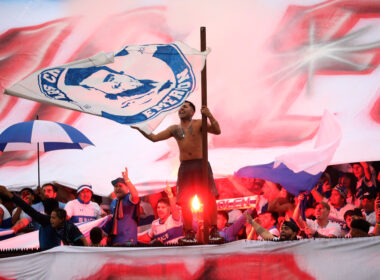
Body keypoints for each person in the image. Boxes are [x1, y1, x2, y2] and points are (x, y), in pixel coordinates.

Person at [133, 101, 223, 244]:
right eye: (181, 107)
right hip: (185, 167)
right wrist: (141, 128)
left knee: (209, 197)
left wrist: (209, 115)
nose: (181, 108)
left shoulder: (199, 123)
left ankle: (213, 229)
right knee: (185, 201)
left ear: (193, 112)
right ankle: (189, 233)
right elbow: (154, 138)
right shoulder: (174, 128)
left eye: (185, 107)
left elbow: (217, 130)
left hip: (201, 164)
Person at [0, 186, 88, 249]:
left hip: (47, 257)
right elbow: (83, 239)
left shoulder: (46, 220)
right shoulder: (65, 222)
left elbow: (27, 208)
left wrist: (8, 194)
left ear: (45, 211)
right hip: (57, 255)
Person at [104, 168, 140, 245]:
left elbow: (136, 196)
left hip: (129, 240)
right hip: (115, 240)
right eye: (116, 186)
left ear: (127, 187)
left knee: (128, 256)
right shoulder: (114, 202)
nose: (117, 188)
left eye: (120, 186)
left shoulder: (129, 198)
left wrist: (127, 180)